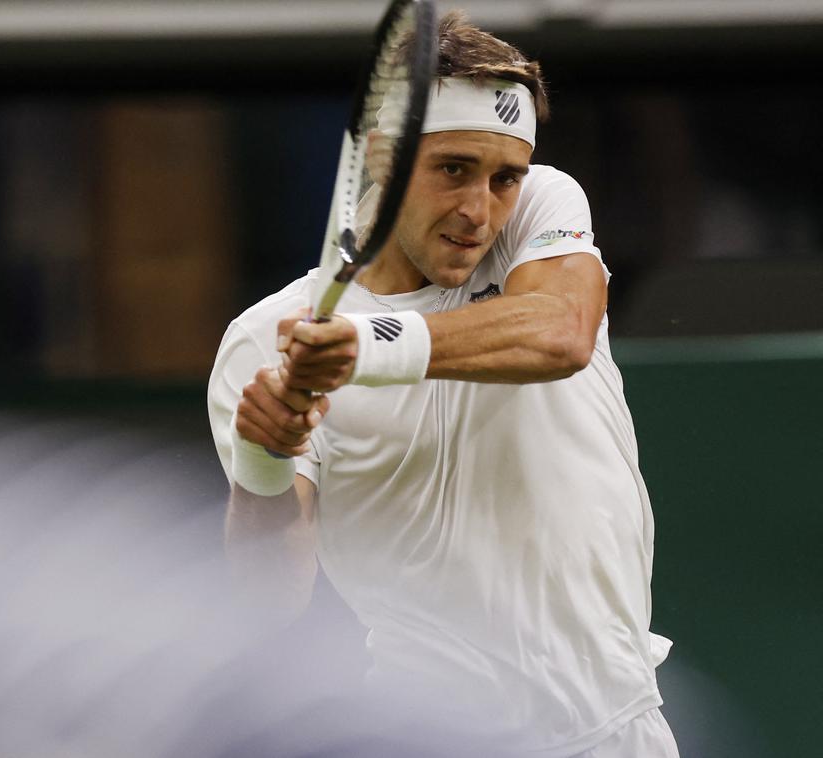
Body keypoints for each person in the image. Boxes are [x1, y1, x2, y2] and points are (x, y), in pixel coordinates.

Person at [207, 11, 679, 758]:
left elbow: (561, 332)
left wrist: (363, 345)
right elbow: (271, 598)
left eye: (503, 177)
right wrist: (266, 454)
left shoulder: (541, 210)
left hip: (618, 725)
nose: (479, 210)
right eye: (453, 169)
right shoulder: (263, 339)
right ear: (381, 158)